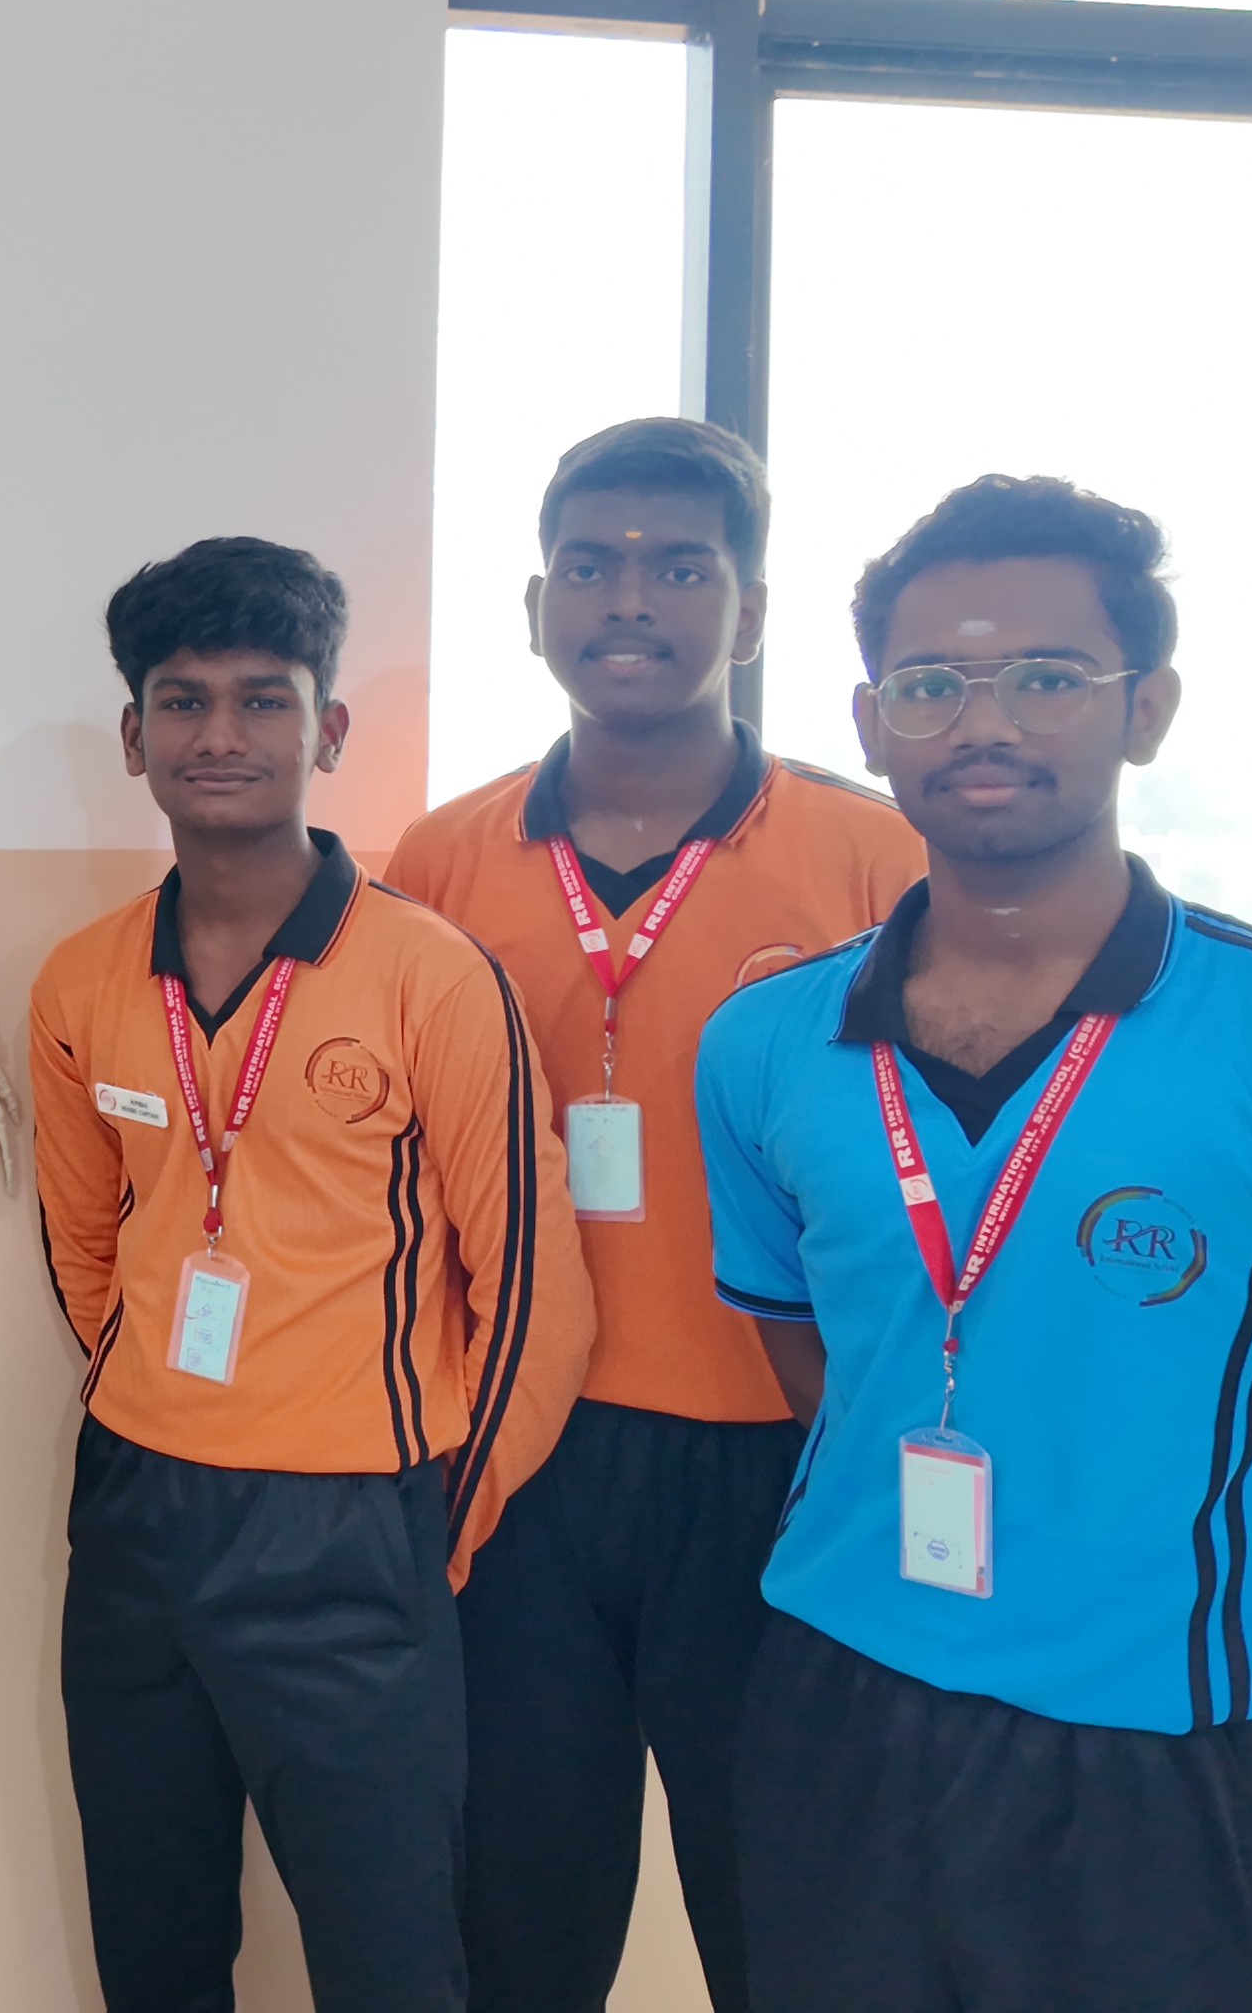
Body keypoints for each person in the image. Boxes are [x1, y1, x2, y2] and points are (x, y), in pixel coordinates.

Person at [697, 475, 1252, 2011]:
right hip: (830, 1714)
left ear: (1146, 708)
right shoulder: (761, 1045)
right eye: (932, 683)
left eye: (1046, 677)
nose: (984, 722)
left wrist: (1226, 1672)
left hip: (1155, 1772)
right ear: (872, 724)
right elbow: (819, 1359)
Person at [394, 417, 927, 2012]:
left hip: (780, 1457)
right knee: (519, 1918)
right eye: (591, 565)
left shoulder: (872, 855)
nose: (630, 598)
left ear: (749, 612)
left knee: (791, 1920)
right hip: (522, 1460)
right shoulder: (444, 858)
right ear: (535, 607)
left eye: (682, 568)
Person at [28, 536, 593, 2013]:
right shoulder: (83, 979)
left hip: (358, 1524)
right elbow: (83, 1245)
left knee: (389, 1956)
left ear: (327, 730)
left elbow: (533, 1293)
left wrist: (434, 1525)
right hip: (138, 1510)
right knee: (153, 1941)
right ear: (135, 735)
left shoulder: (431, 975)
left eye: (263, 699)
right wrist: (155, 1402)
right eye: (184, 700)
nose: (221, 734)